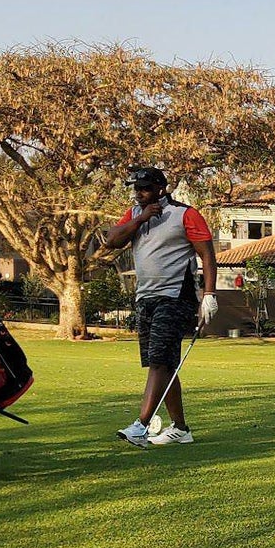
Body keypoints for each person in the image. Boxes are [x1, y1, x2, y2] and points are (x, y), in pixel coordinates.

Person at [101, 167, 217, 447]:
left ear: (161, 189)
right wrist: (141, 218)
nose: (139, 193)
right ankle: (180, 428)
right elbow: (112, 240)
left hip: (176, 296)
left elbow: (207, 254)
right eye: (137, 189)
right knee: (164, 365)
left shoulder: (184, 214)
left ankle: (141, 425)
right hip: (146, 298)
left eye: (145, 188)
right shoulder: (134, 215)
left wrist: (209, 295)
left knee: (159, 361)